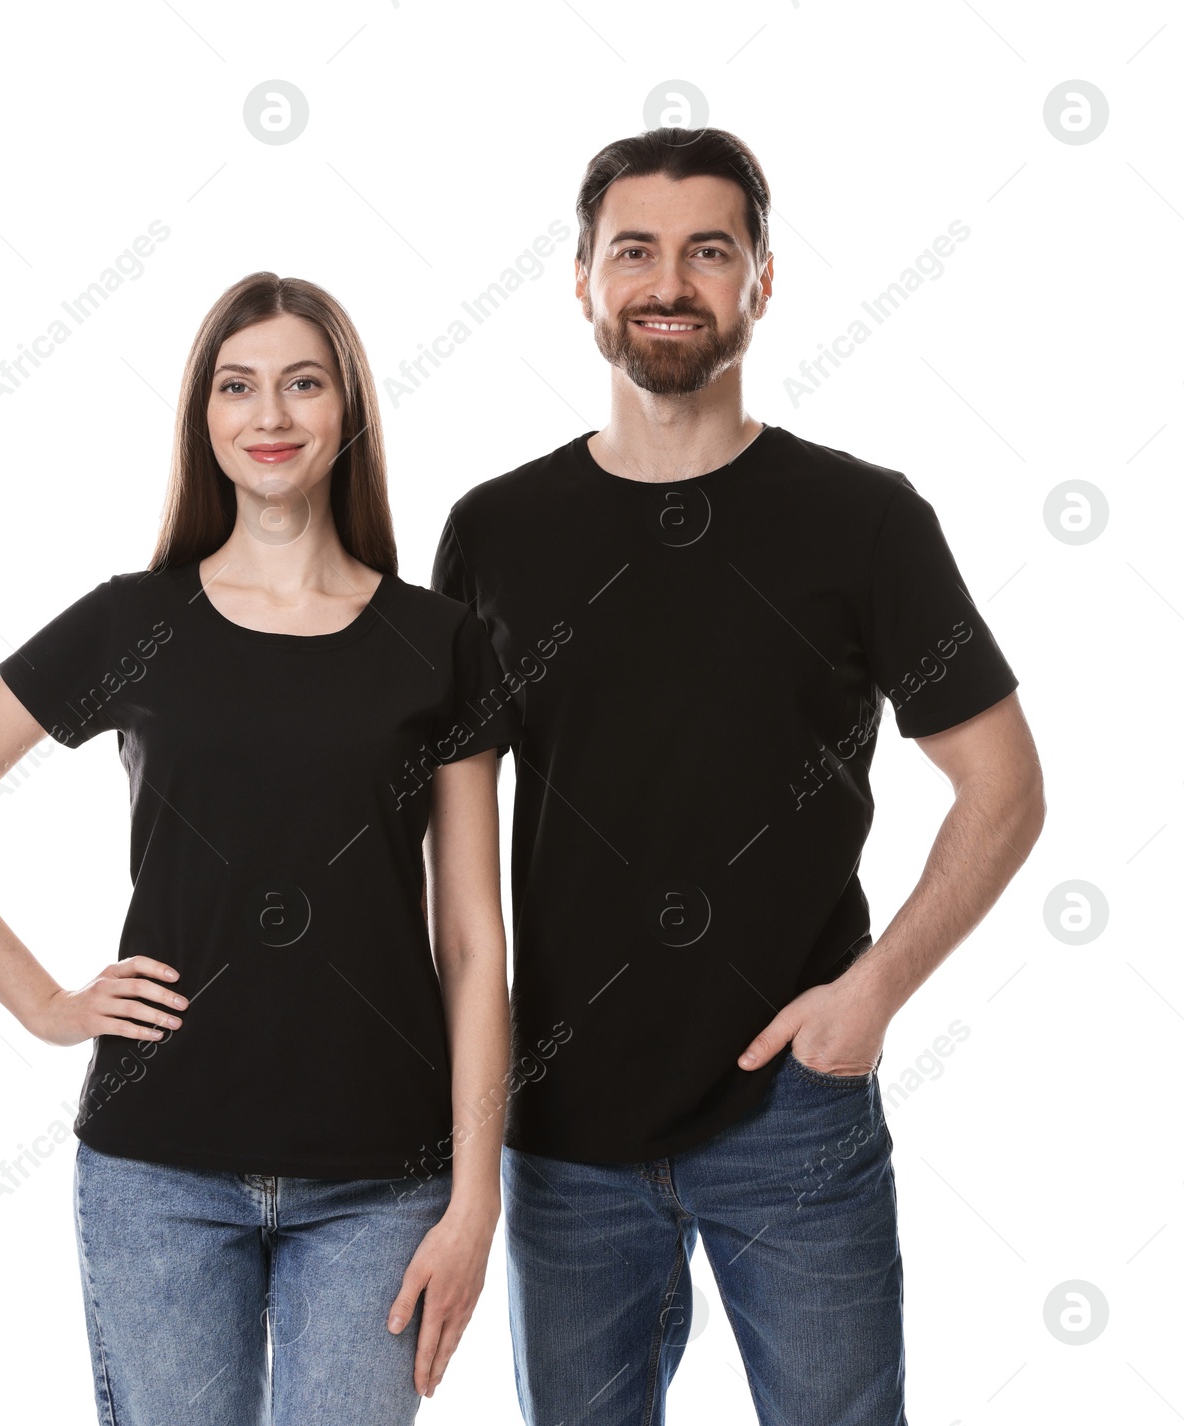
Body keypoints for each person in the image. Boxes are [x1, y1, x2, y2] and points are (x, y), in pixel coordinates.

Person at [431, 127, 1046, 1426]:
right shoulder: (497, 532)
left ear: (762, 280)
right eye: (635, 251)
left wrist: (872, 991)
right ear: (583, 281)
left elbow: (1003, 782)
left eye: (709, 251)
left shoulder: (863, 521)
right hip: (565, 1126)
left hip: (793, 1117)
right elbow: (457, 870)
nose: (670, 281)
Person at [0, 272, 521, 1425]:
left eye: (302, 383)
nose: (269, 415)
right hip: (158, 1172)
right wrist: (45, 1002)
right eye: (237, 385)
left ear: (348, 409)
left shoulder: (440, 641)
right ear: (203, 418)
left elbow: (471, 941)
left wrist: (475, 1198)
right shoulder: (134, 622)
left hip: (380, 1179)